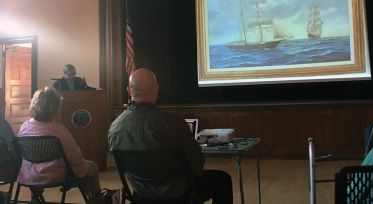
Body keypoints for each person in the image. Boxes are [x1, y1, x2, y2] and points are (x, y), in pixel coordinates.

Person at [108, 68, 233, 203]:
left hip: (142, 195)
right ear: (156, 89)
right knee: (222, 180)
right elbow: (197, 164)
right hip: (180, 194)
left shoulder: (114, 128)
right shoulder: (174, 123)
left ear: (128, 90)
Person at [17, 86, 100, 200]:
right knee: (93, 167)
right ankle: (95, 200)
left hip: (30, 174)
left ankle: (35, 200)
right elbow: (76, 158)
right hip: (56, 175)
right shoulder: (59, 130)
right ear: (55, 108)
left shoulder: (24, 127)